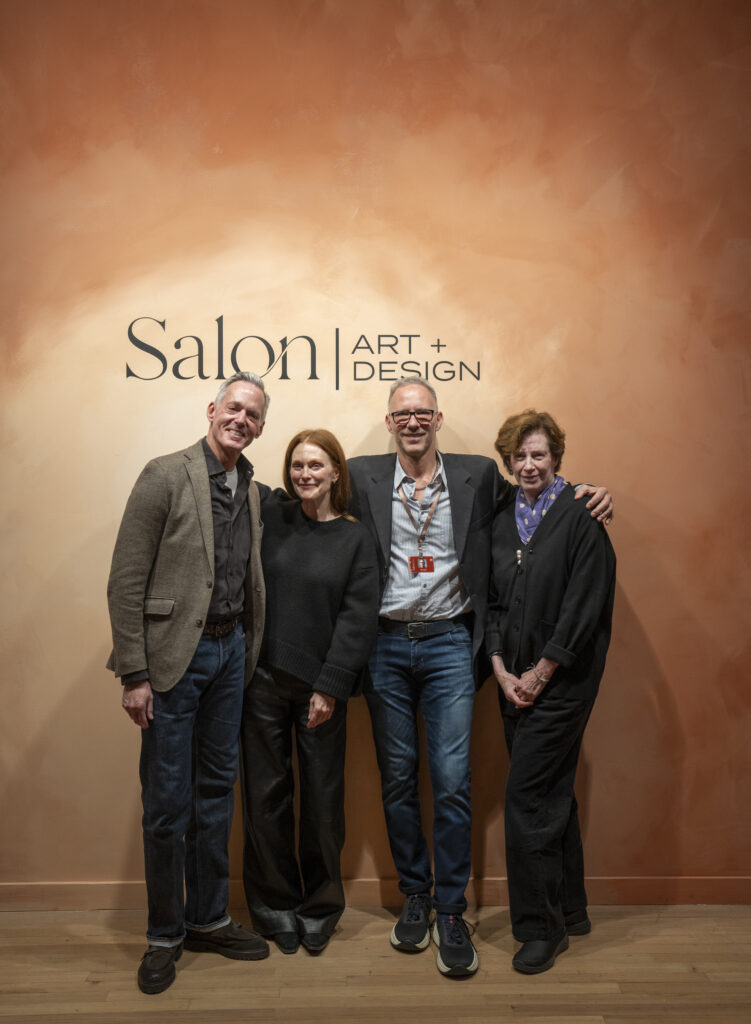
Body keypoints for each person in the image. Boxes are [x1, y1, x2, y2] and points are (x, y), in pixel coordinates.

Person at [347, 378, 613, 978]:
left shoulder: (478, 477)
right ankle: (415, 894)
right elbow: (303, 496)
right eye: (401, 415)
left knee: (452, 781)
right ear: (389, 423)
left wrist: (592, 494)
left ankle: (450, 909)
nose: (412, 422)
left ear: (437, 417)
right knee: (395, 778)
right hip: (385, 645)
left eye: (422, 413)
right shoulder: (360, 476)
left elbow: (545, 498)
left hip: (448, 647)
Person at [106, 371, 271, 995]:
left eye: (253, 415)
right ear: (212, 409)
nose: (242, 420)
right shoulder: (164, 473)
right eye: (234, 408)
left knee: (214, 797)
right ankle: (163, 935)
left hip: (232, 656)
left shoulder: (251, 485)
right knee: (167, 805)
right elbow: (126, 579)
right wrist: (134, 673)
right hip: (173, 662)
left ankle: (208, 918)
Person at [240, 429, 379, 956]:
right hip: (262, 683)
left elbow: (357, 617)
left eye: (316, 465)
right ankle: (275, 905)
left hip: (321, 690)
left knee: (322, 803)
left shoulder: (355, 538)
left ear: (336, 471)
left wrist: (331, 686)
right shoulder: (271, 517)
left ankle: (320, 907)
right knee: (264, 800)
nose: (305, 474)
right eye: (297, 465)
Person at [487, 409, 616, 975]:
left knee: (527, 800)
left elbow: (584, 609)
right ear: (508, 460)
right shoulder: (500, 518)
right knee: (552, 793)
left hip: (561, 684)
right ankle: (571, 908)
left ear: (556, 458)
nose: (529, 464)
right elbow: (492, 601)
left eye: (539, 454)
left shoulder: (582, 515)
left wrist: (540, 673)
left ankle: (541, 930)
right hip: (511, 682)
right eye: (520, 455)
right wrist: (498, 666)